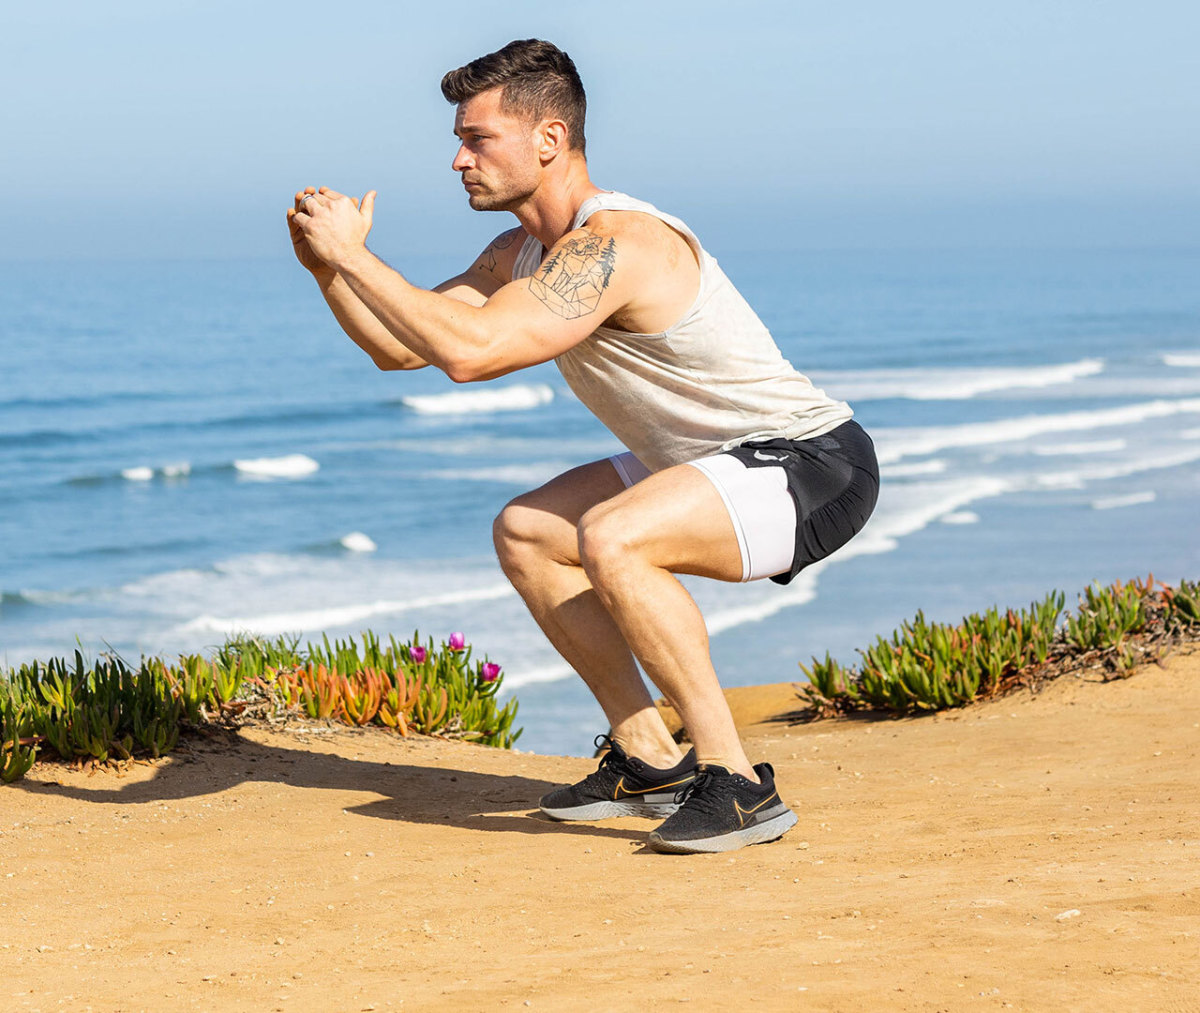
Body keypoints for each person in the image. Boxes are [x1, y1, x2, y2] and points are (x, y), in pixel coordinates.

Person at [287, 39, 879, 854]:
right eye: (458, 139)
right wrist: (329, 271)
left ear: (550, 140)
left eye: (477, 138)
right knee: (528, 531)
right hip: (710, 463)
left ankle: (738, 783)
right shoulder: (519, 253)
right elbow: (405, 346)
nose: (458, 159)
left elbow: (473, 353)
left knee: (613, 534)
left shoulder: (618, 244)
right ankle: (648, 756)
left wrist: (358, 254)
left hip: (810, 462)